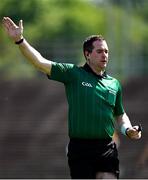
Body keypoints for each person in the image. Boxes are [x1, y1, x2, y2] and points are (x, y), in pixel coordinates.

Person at [2, 17, 142, 179]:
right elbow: (39, 62)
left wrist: (128, 129)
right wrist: (20, 40)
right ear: (87, 54)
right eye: (99, 51)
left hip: (106, 147)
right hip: (80, 148)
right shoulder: (73, 74)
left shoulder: (114, 83)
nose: (104, 55)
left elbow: (120, 113)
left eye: (106, 51)